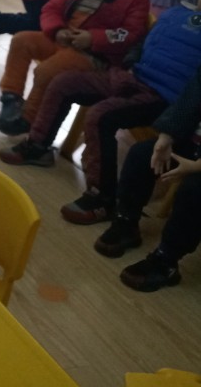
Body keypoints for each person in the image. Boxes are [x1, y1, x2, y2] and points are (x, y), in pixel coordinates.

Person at [0, 0, 201, 224]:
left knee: (100, 116)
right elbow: (142, 43)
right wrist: (130, 63)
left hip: (165, 98)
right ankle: (38, 146)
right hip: (131, 77)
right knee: (64, 82)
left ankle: (102, 197)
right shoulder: (174, 13)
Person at [0, 0, 150, 136]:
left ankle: (28, 118)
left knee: (46, 71)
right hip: (64, 41)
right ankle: (11, 96)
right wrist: (57, 29)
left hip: (94, 56)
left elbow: (130, 34)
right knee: (21, 40)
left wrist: (93, 38)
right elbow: (50, 10)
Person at [93, 64, 201, 292]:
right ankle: (127, 222)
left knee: (194, 191)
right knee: (142, 155)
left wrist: (196, 166)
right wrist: (167, 136)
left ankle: (167, 260)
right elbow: (189, 99)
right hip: (193, 143)